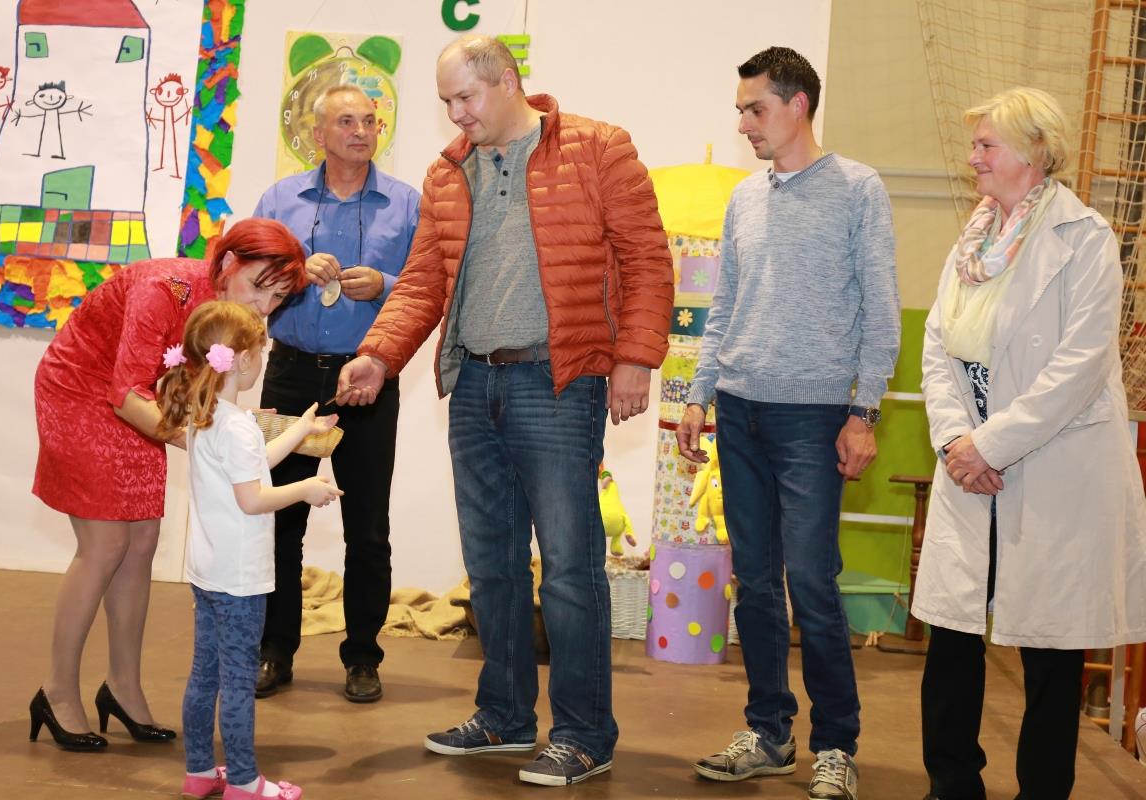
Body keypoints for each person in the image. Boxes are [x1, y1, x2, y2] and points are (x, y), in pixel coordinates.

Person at [338, 35, 673, 787]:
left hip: (559, 383)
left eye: (466, 97)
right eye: (446, 102)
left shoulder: (599, 148)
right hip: (473, 385)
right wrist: (379, 354)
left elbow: (648, 259)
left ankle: (584, 734)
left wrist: (634, 358)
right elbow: (423, 282)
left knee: (569, 570)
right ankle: (505, 715)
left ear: (509, 81)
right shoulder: (448, 171)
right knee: (491, 566)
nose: (455, 114)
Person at [677, 46, 900, 800]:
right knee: (756, 584)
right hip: (739, 411)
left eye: (755, 109)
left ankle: (837, 744)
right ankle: (769, 732)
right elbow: (724, 309)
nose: (744, 124)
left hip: (814, 418)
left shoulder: (858, 189)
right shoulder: (745, 198)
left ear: (798, 104)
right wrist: (700, 395)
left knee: (810, 582)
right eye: (741, 110)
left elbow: (881, 311)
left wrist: (863, 410)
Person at [914, 87, 1146, 800]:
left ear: (1036, 151)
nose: (973, 158)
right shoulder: (973, 241)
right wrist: (956, 441)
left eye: (987, 145)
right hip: (970, 466)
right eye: (975, 144)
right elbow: (936, 347)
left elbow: (1081, 364)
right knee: (953, 636)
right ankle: (952, 785)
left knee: (1052, 650)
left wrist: (990, 445)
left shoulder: (1085, 239)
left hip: (1053, 463)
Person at [28, 218, 307, 751]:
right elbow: (124, 392)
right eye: (258, 288)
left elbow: (192, 391)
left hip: (141, 404)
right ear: (228, 263)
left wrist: (238, 425)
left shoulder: (226, 309)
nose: (263, 308)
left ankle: (122, 688)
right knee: (104, 544)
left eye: (278, 298)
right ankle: (57, 690)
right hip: (81, 393)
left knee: (141, 543)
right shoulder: (166, 289)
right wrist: (213, 442)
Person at [252, 84, 419, 703]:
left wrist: (386, 284)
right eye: (346, 121)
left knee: (367, 526)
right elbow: (247, 280)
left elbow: (430, 288)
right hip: (291, 374)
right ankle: (274, 651)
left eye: (370, 121)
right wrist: (295, 274)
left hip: (368, 377)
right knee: (279, 520)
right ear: (318, 134)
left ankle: (363, 658)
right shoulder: (279, 200)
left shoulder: (406, 204)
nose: (360, 131)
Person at [157, 300, 342, 800]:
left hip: (208, 571)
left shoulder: (207, 415)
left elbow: (253, 464)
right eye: (260, 350)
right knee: (238, 680)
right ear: (241, 359)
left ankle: (200, 772)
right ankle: (243, 781)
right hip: (239, 580)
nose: (262, 359)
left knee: (205, 675)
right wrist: (306, 489)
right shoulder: (236, 424)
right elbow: (253, 498)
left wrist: (302, 429)